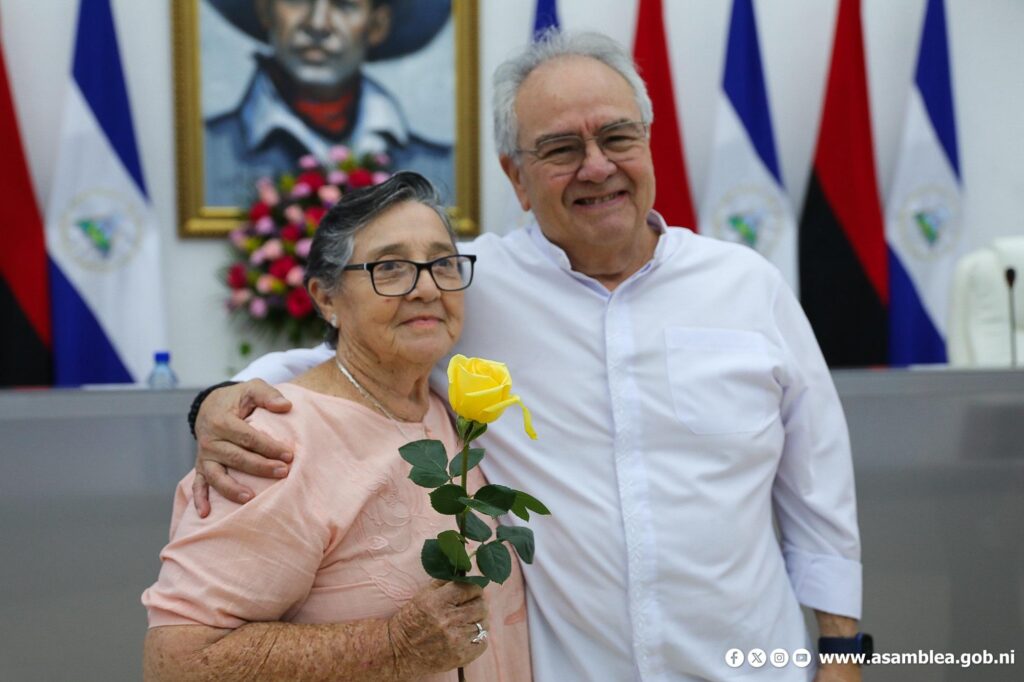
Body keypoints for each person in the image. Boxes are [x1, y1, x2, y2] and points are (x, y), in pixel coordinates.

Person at [190, 31, 865, 681]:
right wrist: (220, 402)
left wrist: (843, 657)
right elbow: (351, 355)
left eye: (617, 137)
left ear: (648, 145)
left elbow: (818, 492)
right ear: (517, 176)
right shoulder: (467, 283)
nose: (597, 166)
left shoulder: (747, 286)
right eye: (561, 148)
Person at [142, 172, 531, 681]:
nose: (428, 288)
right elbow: (178, 663)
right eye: (391, 268)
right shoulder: (273, 443)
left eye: (443, 263)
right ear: (326, 298)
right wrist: (392, 647)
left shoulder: (454, 409)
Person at [204, 0, 453, 205]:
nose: (317, 24)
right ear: (264, 9)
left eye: (344, 5)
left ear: (378, 24)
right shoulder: (211, 153)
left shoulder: (434, 167)